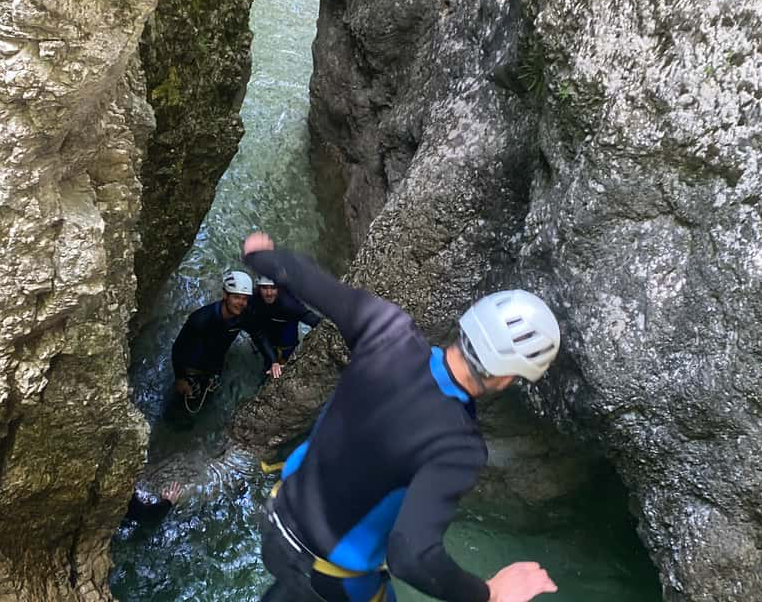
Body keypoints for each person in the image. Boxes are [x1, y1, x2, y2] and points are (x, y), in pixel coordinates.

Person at [242, 232, 560, 602]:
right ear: (506, 378)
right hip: (330, 580)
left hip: (277, 521)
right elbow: (411, 557)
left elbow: (305, 278)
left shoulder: (386, 328)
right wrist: (490, 594)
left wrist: (259, 257)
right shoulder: (457, 449)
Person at [169, 270, 272, 425]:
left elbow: (259, 336)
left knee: (207, 401)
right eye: (236, 297)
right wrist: (181, 378)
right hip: (193, 367)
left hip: (214, 367)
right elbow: (178, 348)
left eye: (245, 299)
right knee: (182, 402)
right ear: (225, 295)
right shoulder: (201, 319)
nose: (241, 303)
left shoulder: (244, 316)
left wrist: (273, 361)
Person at [249, 276, 322, 379]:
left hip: (286, 330)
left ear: (279, 288)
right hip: (268, 332)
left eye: (273, 288)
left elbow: (310, 318)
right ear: (258, 288)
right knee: (268, 359)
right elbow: (257, 332)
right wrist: (273, 361)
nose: (269, 293)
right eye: (265, 288)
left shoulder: (288, 303)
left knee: (286, 354)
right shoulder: (253, 299)